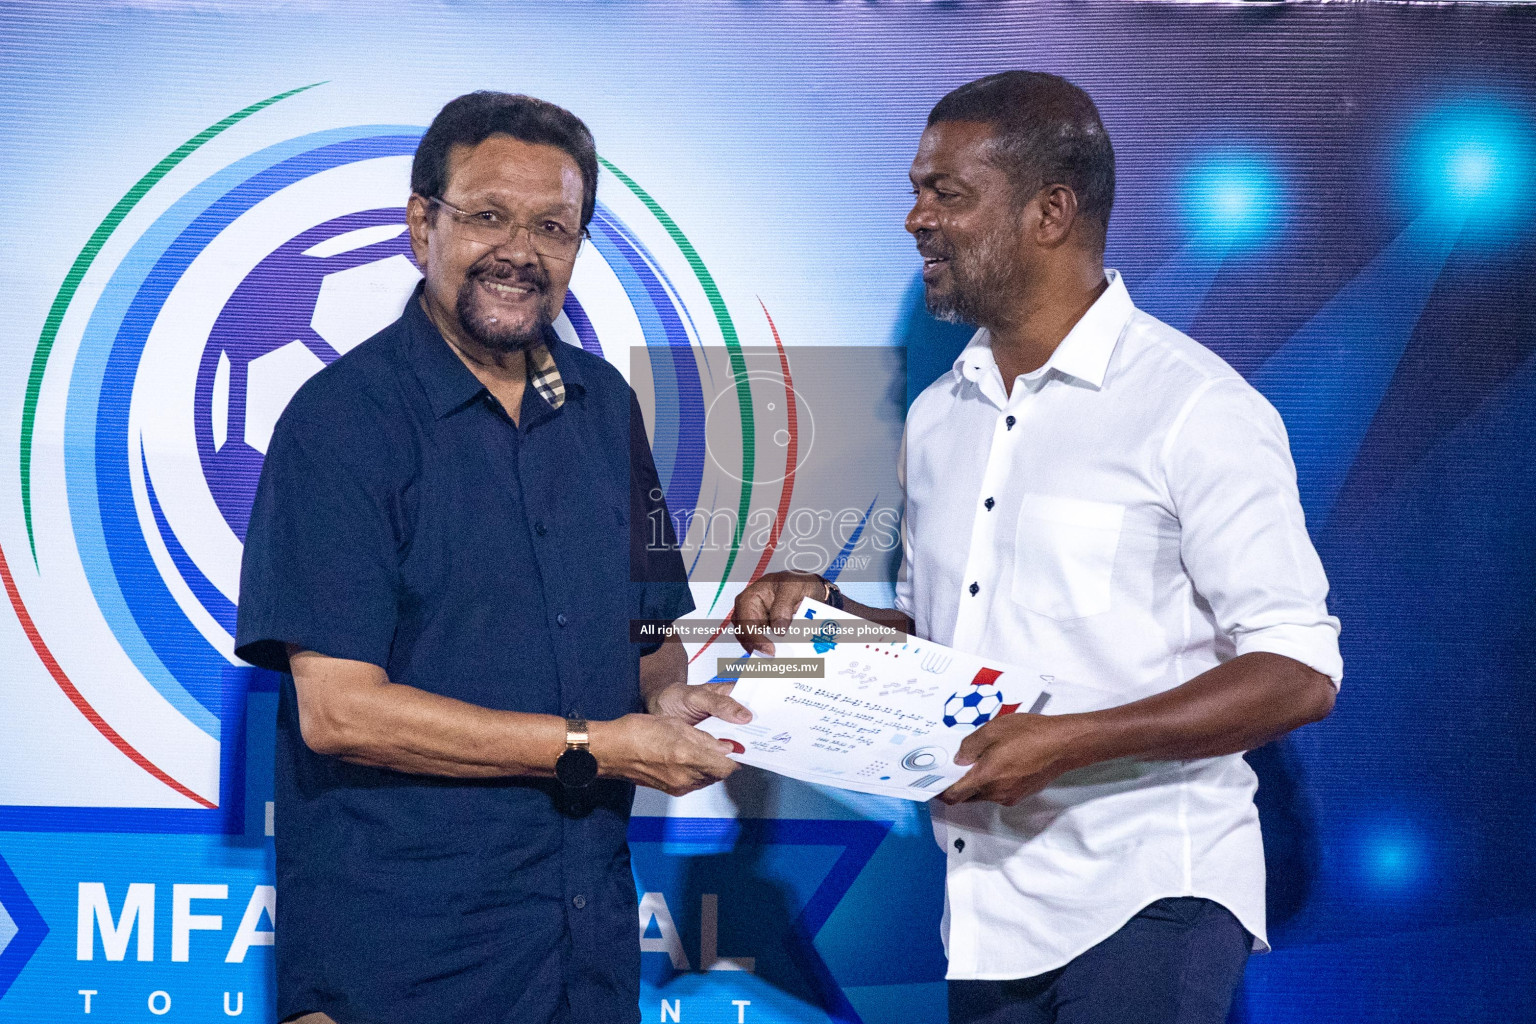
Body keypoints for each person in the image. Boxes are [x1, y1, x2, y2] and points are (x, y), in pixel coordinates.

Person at [734, 71, 1341, 1024]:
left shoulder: (1196, 407)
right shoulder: (939, 418)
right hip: (985, 913)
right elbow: (954, 646)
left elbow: (1300, 669)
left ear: (1051, 211)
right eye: (916, 190)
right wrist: (828, 624)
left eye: (948, 194)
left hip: (1153, 898)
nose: (915, 219)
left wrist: (1065, 745)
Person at [236, 91, 750, 1024]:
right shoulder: (339, 423)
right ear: (420, 224)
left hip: (582, 955)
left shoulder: (604, 408)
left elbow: (649, 633)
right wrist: (593, 748)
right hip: (400, 964)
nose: (521, 249)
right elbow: (340, 712)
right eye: (487, 216)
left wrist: (669, 700)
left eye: (553, 226)